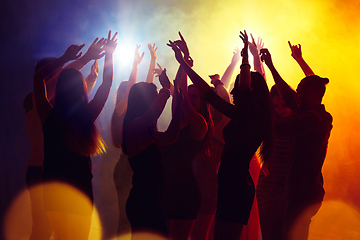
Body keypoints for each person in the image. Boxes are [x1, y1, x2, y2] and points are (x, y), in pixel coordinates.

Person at [168, 30, 274, 240]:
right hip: (227, 183)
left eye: (237, 88)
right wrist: (184, 64)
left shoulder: (257, 118)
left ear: (250, 91)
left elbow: (243, 87)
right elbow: (208, 94)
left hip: (237, 186)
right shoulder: (240, 114)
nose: (233, 92)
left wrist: (244, 56)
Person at [33, 31, 117, 240]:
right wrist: (109, 55)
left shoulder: (47, 114)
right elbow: (106, 85)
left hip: (53, 188)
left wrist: (65, 58)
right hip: (79, 187)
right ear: (82, 89)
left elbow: (38, 78)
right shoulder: (87, 116)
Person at [260, 45, 332, 240]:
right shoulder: (319, 115)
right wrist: (271, 66)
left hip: (303, 192)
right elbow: (288, 94)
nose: (295, 97)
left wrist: (256, 117)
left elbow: (281, 128)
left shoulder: (312, 119)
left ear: (308, 95)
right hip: (306, 190)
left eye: (299, 92)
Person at [24, 58, 99, 240]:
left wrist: (91, 78)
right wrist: (83, 57)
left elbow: (72, 100)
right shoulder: (34, 99)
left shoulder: (50, 106)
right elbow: (66, 92)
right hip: (44, 172)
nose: (59, 76)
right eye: (57, 72)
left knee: (57, 233)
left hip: (52, 172)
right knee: (43, 231)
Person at [160, 32, 212, 240]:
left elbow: (181, 96)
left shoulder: (200, 124)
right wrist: (184, 60)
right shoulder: (177, 119)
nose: (190, 98)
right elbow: (180, 95)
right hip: (166, 188)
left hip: (185, 192)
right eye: (189, 95)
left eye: (195, 96)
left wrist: (185, 61)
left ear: (202, 102)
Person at [121, 68, 183, 238]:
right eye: (154, 96)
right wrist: (165, 89)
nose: (158, 99)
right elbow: (153, 113)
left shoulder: (147, 129)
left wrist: (180, 104)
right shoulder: (135, 125)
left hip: (151, 199)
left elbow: (171, 137)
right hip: (143, 200)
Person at [191, 48, 239, 240]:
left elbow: (224, 98)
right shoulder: (199, 125)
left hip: (208, 190)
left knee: (199, 236)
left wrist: (220, 81)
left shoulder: (221, 129)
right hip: (190, 187)